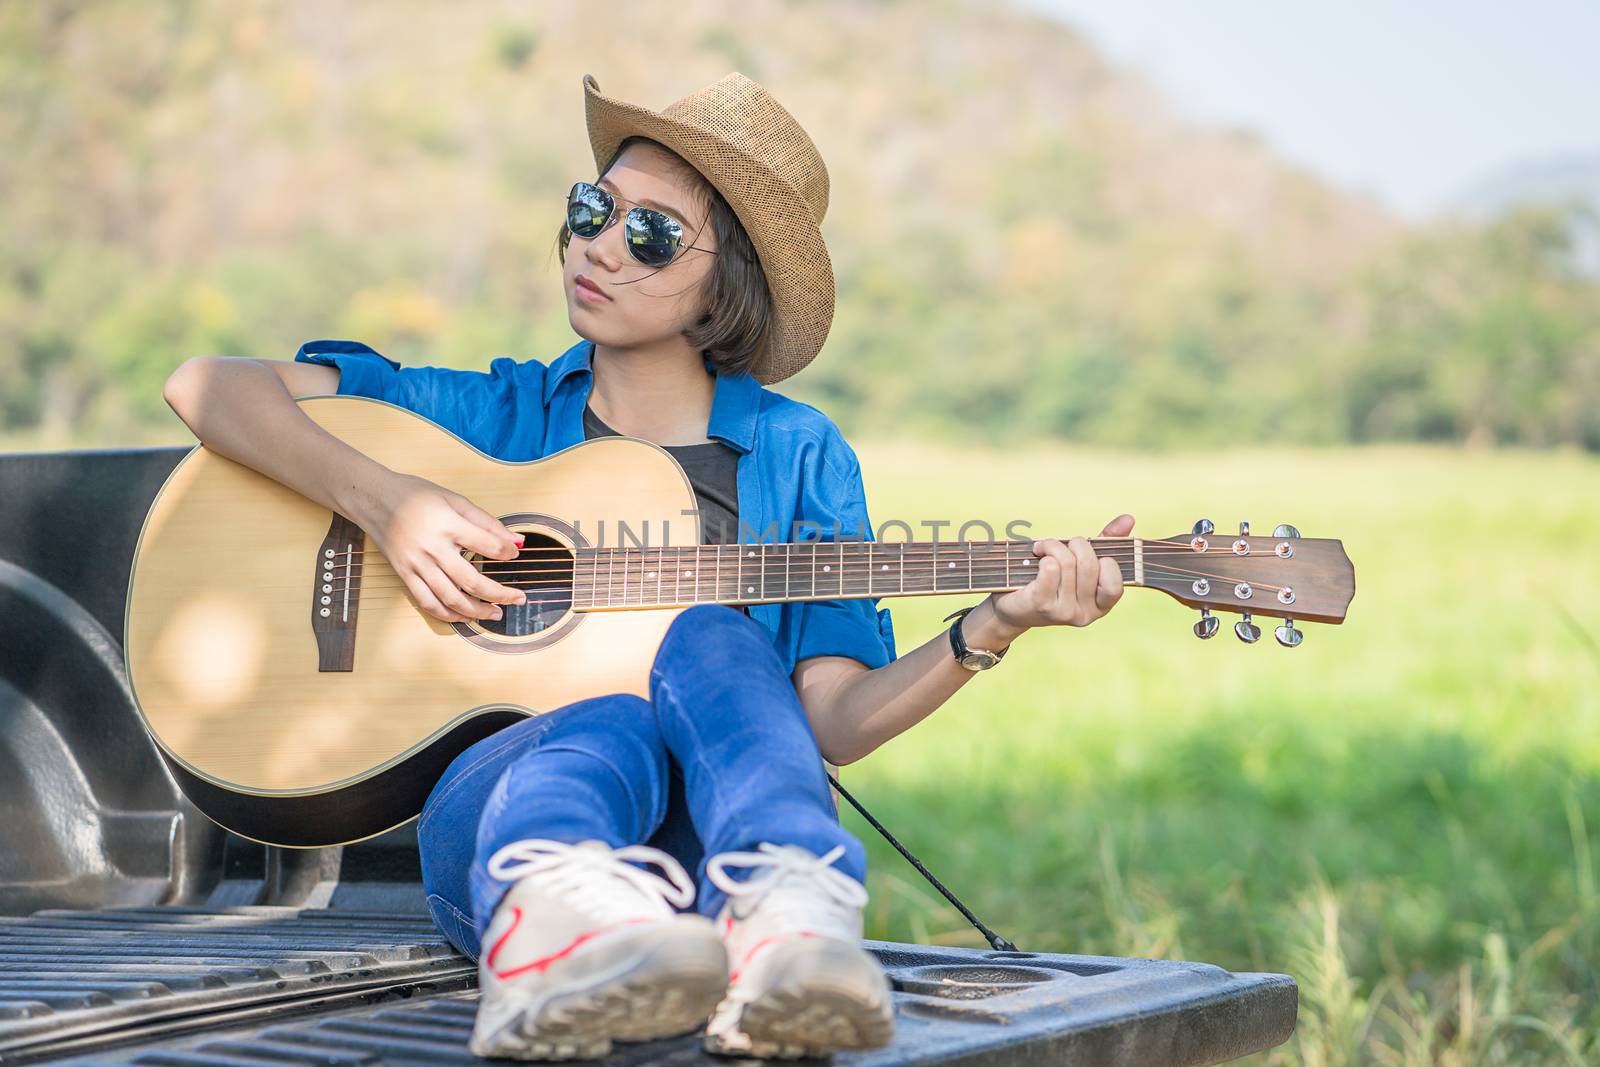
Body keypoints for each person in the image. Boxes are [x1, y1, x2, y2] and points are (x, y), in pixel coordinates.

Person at [161, 71, 1135, 1061]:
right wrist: (389, 500)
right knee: (613, 715)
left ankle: (791, 911)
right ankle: (556, 925)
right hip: (507, 827)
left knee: (709, 633)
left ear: (730, 282)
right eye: (594, 208)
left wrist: (991, 627)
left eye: (653, 233)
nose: (599, 243)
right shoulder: (500, 417)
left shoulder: (797, 453)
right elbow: (208, 385)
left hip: (706, 844)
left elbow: (832, 721)